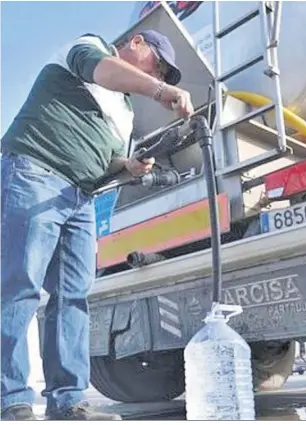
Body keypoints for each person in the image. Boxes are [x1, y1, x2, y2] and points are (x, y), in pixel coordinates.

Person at [1, 29, 194, 421]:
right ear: (136, 43)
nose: (156, 73)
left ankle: (68, 400)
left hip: (81, 197)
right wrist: (159, 90)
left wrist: (128, 165)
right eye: (156, 63)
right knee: (18, 285)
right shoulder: (91, 48)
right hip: (35, 172)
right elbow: (103, 71)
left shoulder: (124, 112)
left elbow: (106, 159)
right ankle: (11, 397)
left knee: (73, 297)